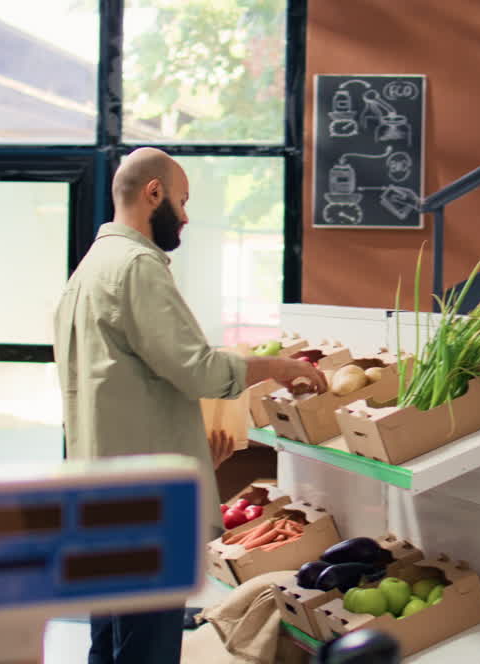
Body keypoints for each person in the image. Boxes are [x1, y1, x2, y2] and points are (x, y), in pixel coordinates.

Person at [54, 147, 327, 664]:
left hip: (99, 496)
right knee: (146, 650)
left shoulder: (90, 268)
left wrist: (189, 446)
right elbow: (196, 369)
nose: (184, 216)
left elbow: (121, 385)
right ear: (153, 193)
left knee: (110, 644)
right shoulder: (137, 266)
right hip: (146, 504)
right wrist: (276, 366)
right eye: (181, 201)